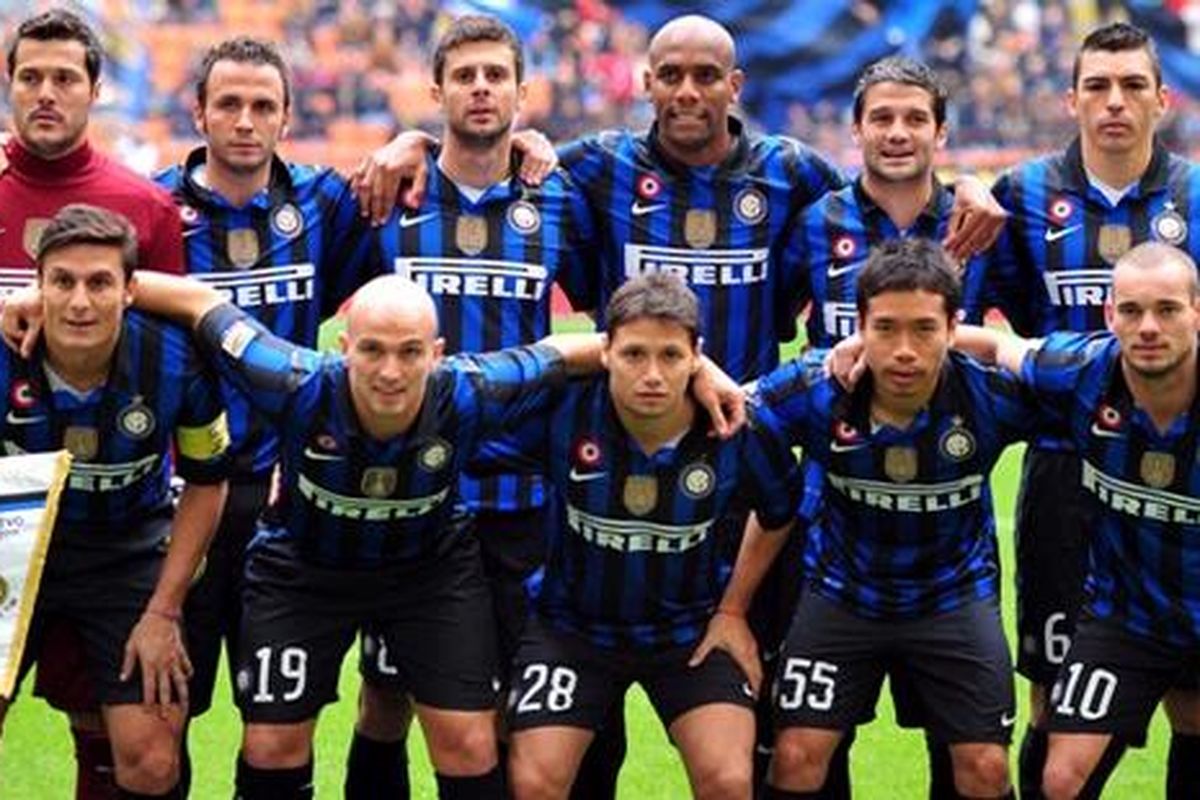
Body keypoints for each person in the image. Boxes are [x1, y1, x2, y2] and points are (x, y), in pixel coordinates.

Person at [356, 16, 1007, 793]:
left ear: (735, 86)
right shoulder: (598, 168)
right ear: (647, 84)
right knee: (575, 727)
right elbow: (498, 150)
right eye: (672, 75)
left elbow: (881, 190)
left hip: (741, 470)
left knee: (780, 720)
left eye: (706, 76)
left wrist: (970, 186)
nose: (689, 91)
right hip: (607, 465)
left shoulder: (789, 174)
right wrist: (413, 142)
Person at [46, 268, 737, 800]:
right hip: (302, 572)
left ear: (436, 354)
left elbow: (560, 352)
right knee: (271, 746)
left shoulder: (468, 389)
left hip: (427, 575)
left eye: (409, 353)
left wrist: (696, 366)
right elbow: (200, 303)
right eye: (372, 350)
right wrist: (39, 300)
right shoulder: (290, 380)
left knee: (469, 744)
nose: (389, 371)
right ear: (343, 348)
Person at [365, 14, 600, 797]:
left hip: (518, 499)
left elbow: (608, 313)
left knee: (504, 708)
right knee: (386, 700)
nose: (480, 88)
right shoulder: (390, 196)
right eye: (463, 76)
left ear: (522, 93)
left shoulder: (558, 198)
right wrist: (406, 143)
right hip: (409, 494)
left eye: (496, 75)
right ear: (436, 92)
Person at [470, 273, 801, 799]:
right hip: (571, 632)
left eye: (670, 356)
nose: (652, 375)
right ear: (604, 353)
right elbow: (467, 414)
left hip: (689, 633)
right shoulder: (563, 411)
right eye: (633, 355)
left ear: (697, 357)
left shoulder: (739, 425)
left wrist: (734, 610)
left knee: (729, 780)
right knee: (534, 783)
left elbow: (780, 509)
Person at [983, 22, 1200, 797]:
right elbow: (973, 317)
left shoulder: (1196, 196)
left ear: (1161, 99)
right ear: (1070, 99)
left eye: (1132, 85)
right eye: (1098, 86)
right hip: (1065, 477)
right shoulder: (1020, 195)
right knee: (1053, 695)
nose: (1115, 102)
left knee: (1192, 701)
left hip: (1180, 480)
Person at [755, 238, 1038, 799]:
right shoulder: (818, 388)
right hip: (841, 595)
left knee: (985, 768)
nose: (905, 350)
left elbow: (1098, 379)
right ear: (858, 327)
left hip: (954, 597)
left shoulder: (989, 393)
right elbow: (728, 409)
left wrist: (994, 343)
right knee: (795, 757)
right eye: (885, 329)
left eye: (924, 329)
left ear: (953, 328)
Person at [0, 12, 190, 797]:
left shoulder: (143, 204)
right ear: (10, 84)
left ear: (95, 88)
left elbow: (171, 342)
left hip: (116, 516)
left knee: (112, 727)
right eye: (30, 77)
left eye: (64, 78)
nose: (46, 93)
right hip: (7, 514)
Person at [949, 241, 1200, 799]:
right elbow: (997, 345)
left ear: (1197, 313)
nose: (1149, 327)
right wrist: (860, 344)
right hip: (1126, 617)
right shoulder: (1083, 369)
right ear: (1110, 316)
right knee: (1061, 779)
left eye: (1167, 310)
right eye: (1131, 310)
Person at [0, 203, 230, 799]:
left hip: (127, 552)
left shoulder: (177, 360)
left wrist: (164, 612)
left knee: (153, 762)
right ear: (38, 287)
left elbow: (207, 481)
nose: (80, 302)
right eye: (63, 282)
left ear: (130, 290)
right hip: (12, 548)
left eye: (99, 283)